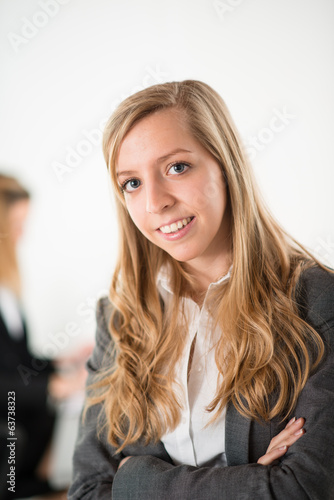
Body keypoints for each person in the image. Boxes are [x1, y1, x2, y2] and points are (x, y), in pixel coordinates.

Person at [68, 80, 334, 499]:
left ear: (225, 165)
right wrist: (249, 482)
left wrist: (134, 481)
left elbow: (303, 489)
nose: (155, 202)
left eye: (177, 167)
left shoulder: (316, 300)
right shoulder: (118, 317)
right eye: (132, 183)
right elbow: (86, 491)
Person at [0, 174, 88, 499]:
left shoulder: (7, 289)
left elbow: (15, 361)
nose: (24, 233)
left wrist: (61, 362)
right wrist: (57, 385)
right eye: (17, 223)